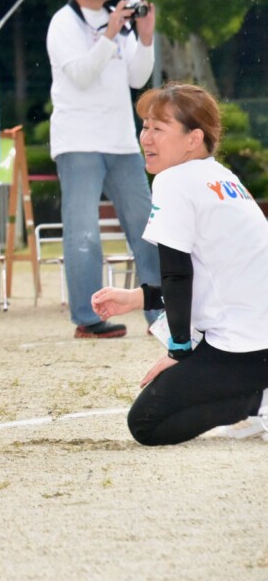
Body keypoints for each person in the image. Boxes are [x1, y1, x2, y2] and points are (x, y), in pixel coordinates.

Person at [91, 83, 268, 445]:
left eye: (159, 128)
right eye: (145, 126)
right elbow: (215, 277)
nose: (146, 138)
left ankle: (259, 402)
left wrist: (179, 351)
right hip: (256, 337)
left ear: (193, 138)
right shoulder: (223, 177)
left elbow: (178, 274)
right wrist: (139, 298)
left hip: (246, 346)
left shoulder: (174, 180)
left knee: (147, 423)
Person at [48, 0, 160, 339]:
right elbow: (81, 75)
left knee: (148, 228)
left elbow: (137, 79)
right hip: (78, 140)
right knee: (83, 233)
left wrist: (144, 38)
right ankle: (88, 316)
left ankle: (160, 311)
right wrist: (110, 33)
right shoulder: (63, 23)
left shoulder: (121, 21)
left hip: (121, 141)